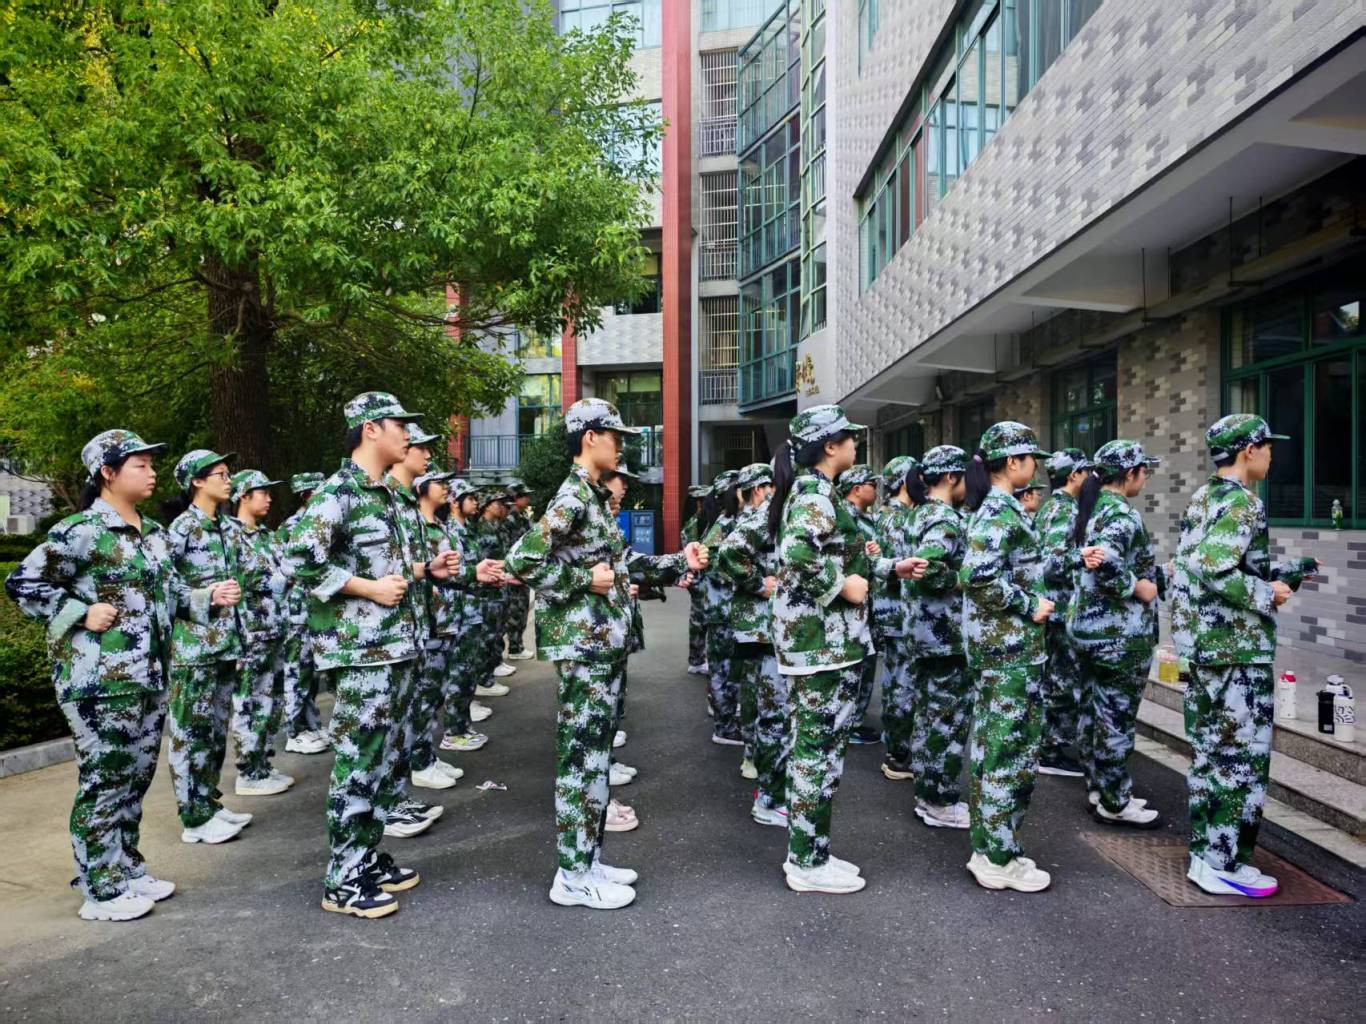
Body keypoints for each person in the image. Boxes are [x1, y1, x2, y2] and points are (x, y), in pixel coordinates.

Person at [6, 430, 233, 921]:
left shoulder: (152, 533)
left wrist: (207, 598)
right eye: (140, 465)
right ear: (107, 473)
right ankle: (100, 887)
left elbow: (171, 597)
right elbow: (23, 582)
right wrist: (80, 612)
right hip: (98, 683)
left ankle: (126, 867)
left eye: (152, 464)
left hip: (147, 677)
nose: (152, 472)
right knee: (105, 780)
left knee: (134, 779)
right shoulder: (82, 530)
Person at [504, 398, 706, 911]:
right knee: (582, 759)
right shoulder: (573, 497)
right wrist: (580, 580)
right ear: (590, 437)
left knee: (595, 758)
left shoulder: (592, 497)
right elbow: (522, 561)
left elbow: (622, 563)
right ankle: (573, 875)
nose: (621, 447)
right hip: (584, 645)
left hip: (600, 642)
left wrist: (678, 561)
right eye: (615, 437)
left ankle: (587, 861)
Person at [280, 391, 457, 919]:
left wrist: (425, 571)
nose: (408, 434)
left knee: (383, 762)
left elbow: (388, 569)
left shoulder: (389, 497)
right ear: (371, 429)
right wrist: (366, 588)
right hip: (362, 654)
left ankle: (364, 857)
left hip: (397, 648)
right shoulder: (339, 492)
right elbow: (297, 559)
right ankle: (342, 880)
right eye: (400, 425)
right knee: (359, 763)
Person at [769, 405, 923, 895]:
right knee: (816, 752)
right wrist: (841, 587)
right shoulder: (814, 493)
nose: (857, 443)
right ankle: (806, 862)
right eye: (849, 438)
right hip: (820, 645)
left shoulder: (820, 491)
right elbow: (798, 554)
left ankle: (813, 852)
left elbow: (842, 555)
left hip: (827, 643)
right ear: (829, 446)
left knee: (823, 750)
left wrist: (891, 569)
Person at [1171, 414, 1320, 898]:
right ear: (1248, 450)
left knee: (1212, 756)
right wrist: (1267, 594)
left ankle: (1207, 855)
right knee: (1240, 760)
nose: (1272, 455)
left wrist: (1282, 574)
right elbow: (1215, 567)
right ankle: (1224, 864)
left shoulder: (1204, 497)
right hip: (1235, 652)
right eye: (1268, 446)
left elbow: (1205, 566)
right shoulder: (1243, 503)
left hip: (1206, 648)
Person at [961, 421, 1083, 893]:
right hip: (1007, 652)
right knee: (1007, 751)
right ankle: (997, 856)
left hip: (1006, 650)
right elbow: (978, 575)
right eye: (1032, 459)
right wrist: (1028, 603)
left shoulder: (1003, 509)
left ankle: (992, 848)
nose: (1037, 467)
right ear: (1013, 462)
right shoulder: (999, 511)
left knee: (997, 749)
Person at [164, 448, 279, 841]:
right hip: (194, 650)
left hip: (228, 645)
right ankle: (193, 818)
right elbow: (163, 586)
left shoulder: (229, 528)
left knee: (214, 735)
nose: (229, 481)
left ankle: (208, 803)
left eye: (229, 474)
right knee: (190, 735)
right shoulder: (181, 529)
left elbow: (257, 574)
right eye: (221, 475)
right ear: (197, 482)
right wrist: (206, 595)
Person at [1068, 440, 1165, 829]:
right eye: (1144, 471)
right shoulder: (1121, 514)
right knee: (1115, 719)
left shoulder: (1091, 510)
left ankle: (1100, 788)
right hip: (1118, 635)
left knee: (1094, 713)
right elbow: (1106, 563)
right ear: (1130, 474)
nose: (1146, 478)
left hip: (1090, 631)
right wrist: (1138, 587)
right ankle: (1115, 801)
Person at [903, 446, 973, 829]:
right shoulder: (944, 518)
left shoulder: (918, 513)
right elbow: (925, 567)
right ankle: (939, 800)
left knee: (929, 717)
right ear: (950, 477)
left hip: (923, 631)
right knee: (947, 720)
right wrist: (961, 579)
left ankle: (928, 794)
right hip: (944, 635)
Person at [716, 462, 789, 822]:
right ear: (760, 488)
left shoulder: (754, 517)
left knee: (757, 694)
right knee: (767, 701)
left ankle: (754, 758)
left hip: (756, 623)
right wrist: (760, 584)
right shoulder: (762, 518)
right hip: (760, 623)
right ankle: (766, 784)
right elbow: (726, 556)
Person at [227, 470, 291, 797]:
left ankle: (262, 764)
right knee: (250, 702)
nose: (268, 498)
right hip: (250, 633)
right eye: (262, 492)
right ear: (243, 496)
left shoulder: (267, 536)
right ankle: (248, 771)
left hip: (274, 630)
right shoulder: (230, 536)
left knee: (271, 700)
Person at [1035, 448, 1092, 778]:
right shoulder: (1064, 510)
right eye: (1086, 472)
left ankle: (1047, 743)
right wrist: (1081, 557)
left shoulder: (1049, 507)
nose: (1090, 478)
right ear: (1073, 475)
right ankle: (1051, 749)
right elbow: (1050, 561)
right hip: (1059, 608)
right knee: (1063, 680)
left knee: (1054, 679)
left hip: (1053, 607)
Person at [872, 455, 920, 778]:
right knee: (903, 683)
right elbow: (903, 564)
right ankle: (899, 752)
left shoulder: (887, 514)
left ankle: (895, 742)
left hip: (892, 611)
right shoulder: (897, 518)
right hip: (898, 611)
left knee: (895, 680)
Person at [440, 479, 497, 752]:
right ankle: (453, 732)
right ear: (455, 502)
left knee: (468, 671)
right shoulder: (450, 532)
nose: (475, 502)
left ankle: (462, 726)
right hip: (460, 611)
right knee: (458, 673)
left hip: (474, 609)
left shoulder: (467, 529)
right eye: (470, 498)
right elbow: (454, 574)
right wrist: (478, 575)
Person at [278, 472, 330, 755]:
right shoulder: (292, 527)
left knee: (310, 672)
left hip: (315, 607)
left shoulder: (318, 523)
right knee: (297, 670)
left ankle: (310, 723)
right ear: (307, 495)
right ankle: (294, 731)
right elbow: (285, 570)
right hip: (298, 609)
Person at [837, 464, 888, 746]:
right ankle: (848, 724)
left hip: (868, 602)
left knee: (866, 663)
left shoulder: (864, 518)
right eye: (872, 484)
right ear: (857, 489)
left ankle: (854, 720)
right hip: (851, 606)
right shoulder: (844, 518)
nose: (876, 490)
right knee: (854, 665)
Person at [701, 469, 742, 744]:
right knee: (722, 669)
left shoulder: (733, 522)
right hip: (722, 609)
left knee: (729, 669)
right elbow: (711, 563)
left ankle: (726, 717)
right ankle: (724, 727)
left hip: (729, 609)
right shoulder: (724, 524)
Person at [681, 484, 712, 675]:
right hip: (699, 576)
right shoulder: (696, 523)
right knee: (700, 620)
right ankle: (697, 659)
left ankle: (697, 658)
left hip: (696, 577)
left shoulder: (693, 521)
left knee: (698, 620)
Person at [503, 483, 535, 661]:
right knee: (515, 611)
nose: (528, 499)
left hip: (522, 572)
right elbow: (508, 548)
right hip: (513, 573)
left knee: (522, 609)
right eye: (524, 495)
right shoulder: (509, 520)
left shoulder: (522, 518)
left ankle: (518, 645)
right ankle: (514, 647)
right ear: (516, 498)